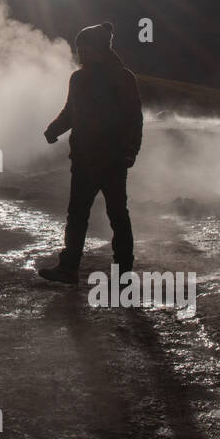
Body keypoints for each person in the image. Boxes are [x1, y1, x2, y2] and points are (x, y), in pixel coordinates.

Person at [38, 22, 143, 284]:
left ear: (98, 48)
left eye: (83, 48)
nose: (80, 53)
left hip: (111, 159)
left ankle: (121, 274)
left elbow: (134, 119)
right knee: (82, 214)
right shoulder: (81, 78)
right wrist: (53, 130)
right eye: (79, 48)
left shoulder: (122, 78)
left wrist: (131, 152)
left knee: (115, 215)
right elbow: (71, 112)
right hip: (86, 159)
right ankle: (70, 268)